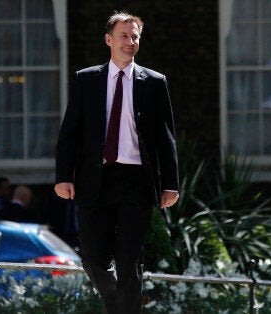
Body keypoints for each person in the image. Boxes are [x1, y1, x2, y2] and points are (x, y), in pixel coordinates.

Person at [54, 12, 179, 314]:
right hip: (95, 178)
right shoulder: (87, 80)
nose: (130, 41)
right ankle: (114, 300)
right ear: (109, 40)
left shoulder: (153, 82)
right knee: (92, 259)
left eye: (135, 36)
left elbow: (166, 137)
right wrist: (63, 176)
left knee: (129, 262)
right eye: (124, 35)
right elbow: (71, 131)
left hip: (136, 181)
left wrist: (170, 184)